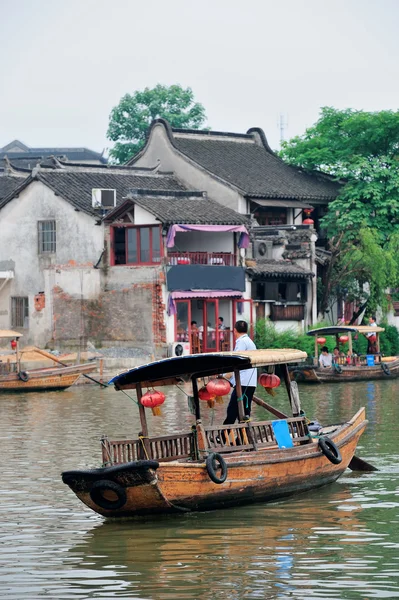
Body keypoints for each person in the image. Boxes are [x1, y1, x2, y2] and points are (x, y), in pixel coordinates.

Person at [223, 320, 257, 424]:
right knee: (244, 412)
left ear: (235, 330)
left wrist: (224, 375)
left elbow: (236, 360)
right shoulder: (250, 342)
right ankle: (243, 439)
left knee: (232, 410)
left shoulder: (242, 342)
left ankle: (222, 437)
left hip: (242, 382)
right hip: (250, 382)